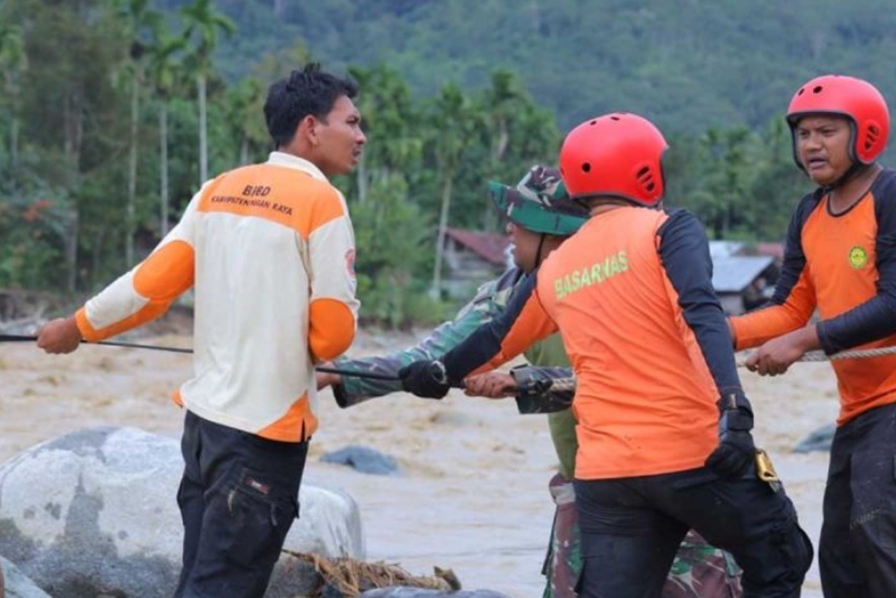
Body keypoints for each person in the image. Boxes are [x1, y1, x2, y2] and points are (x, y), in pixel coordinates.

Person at [399, 114, 812, 598]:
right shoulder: (667, 230)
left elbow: (493, 340)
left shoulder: (555, 269)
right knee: (784, 556)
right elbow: (701, 315)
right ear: (644, 170)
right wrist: (734, 407)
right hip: (691, 455)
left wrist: (439, 373)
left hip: (607, 477)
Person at [321, 164, 742, 597]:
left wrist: (525, 383)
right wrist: (336, 372)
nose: (508, 227)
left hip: (680, 481)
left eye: (521, 218)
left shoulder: (644, 275)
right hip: (589, 491)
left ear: (554, 230)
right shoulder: (511, 292)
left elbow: (644, 377)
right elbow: (434, 359)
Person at [35, 63, 364, 598]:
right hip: (265, 440)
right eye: (351, 122)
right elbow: (331, 338)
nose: (360, 135)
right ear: (311, 127)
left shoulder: (219, 190)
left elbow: (149, 287)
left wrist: (75, 327)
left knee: (201, 577)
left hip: (205, 431)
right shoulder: (321, 201)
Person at [728, 74, 896, 598]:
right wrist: (716, 334)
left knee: (884, 531)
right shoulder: (810, 213)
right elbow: (790, 308)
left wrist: (801, 343)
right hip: (862, 407)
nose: (812, 144)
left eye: (827, 131)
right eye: (803, 134)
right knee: (842, 558)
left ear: (865, 135)